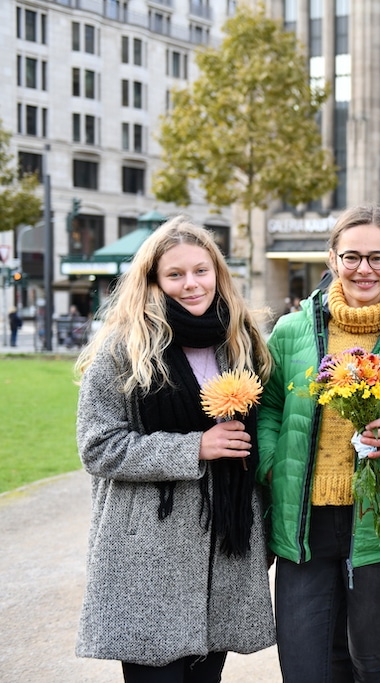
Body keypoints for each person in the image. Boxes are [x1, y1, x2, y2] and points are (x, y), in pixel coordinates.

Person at [73, 216, 276, 682]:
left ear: (218, 273)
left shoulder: (242, 342)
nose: (191, 284)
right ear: (155, 281)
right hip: (148, 553)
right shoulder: (123, 348)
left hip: (223, 550)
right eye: (176, 274)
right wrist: (196, 448)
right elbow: (98, 446)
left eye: (201, 271)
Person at [258, 205, 380, 683]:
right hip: (304, 521)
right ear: (332, 258)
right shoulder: (290, 331)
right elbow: (268, 410)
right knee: (307, 668)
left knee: (372, 666)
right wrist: (274, 465)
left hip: (379, 524)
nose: (364, 269)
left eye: (377, 258)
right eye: (352, 257)